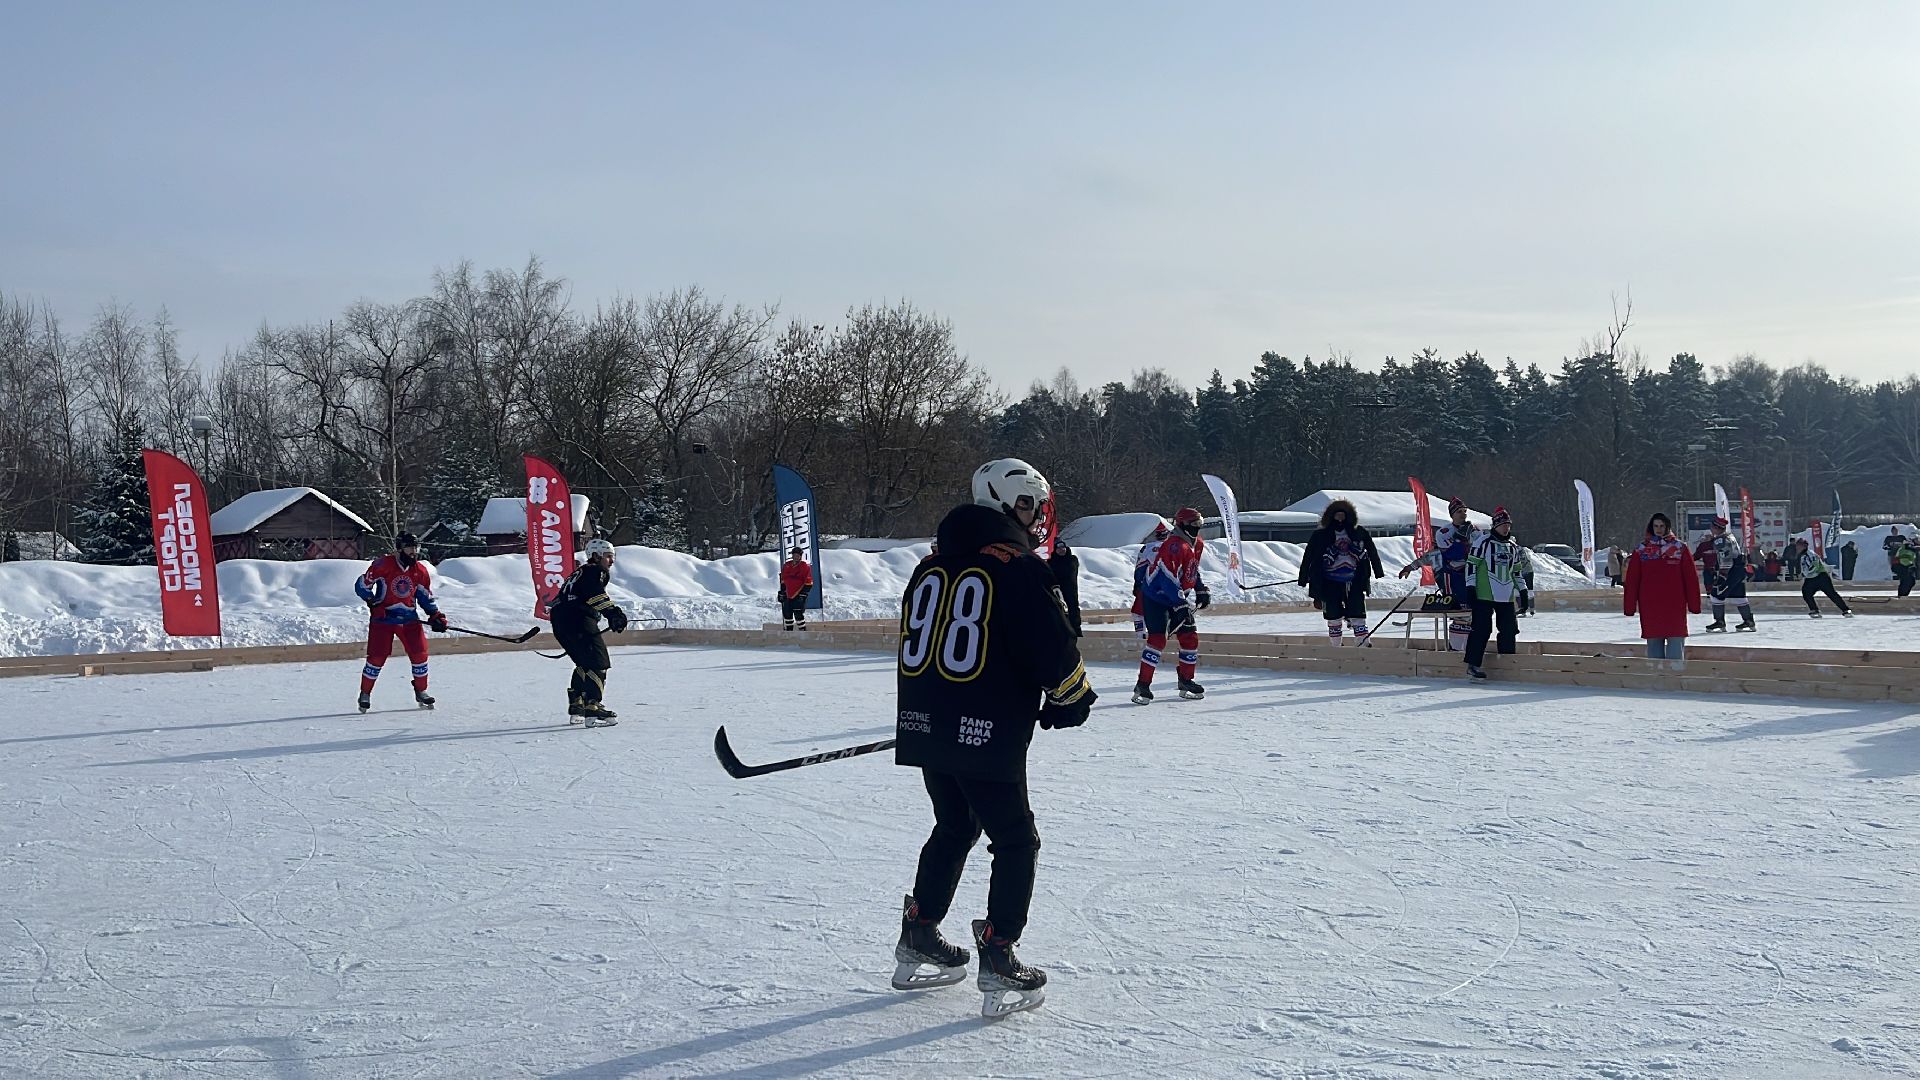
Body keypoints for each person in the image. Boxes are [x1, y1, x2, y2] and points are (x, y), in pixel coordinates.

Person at [892, 457, 1094, 1018]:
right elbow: (1050, 648)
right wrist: (1070, 697)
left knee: (955, 824)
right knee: (1015, 839)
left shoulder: (929, 564)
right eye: (1030, 504)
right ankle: (1001, 954)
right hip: (983, 730)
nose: (1036, 516)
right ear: (1009, 504)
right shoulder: (1017, 566)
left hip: (929, 722)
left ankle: (919, 933)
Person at [354, 532, 446, 713]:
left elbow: (424, 596)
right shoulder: (382, 565)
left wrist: (435, 615)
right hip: (383, 619)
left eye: (415, 547)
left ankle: (421, 690)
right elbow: (361, 585)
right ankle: (365, 693)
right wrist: (373, 603)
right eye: (409, 547)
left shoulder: (420, 570)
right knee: (377, 657)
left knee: (420, 653)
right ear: (399, 548)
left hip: (409, 619)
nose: (413, 552)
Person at [549, 538, 629, 727]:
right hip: (577, 620)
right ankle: (593, 706)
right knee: (598, 662)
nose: (611, 562)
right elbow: (594, 593)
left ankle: (577, 704)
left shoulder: (577, 573)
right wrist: (613, 613)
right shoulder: (595, 570)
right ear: (596, 556)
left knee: (583, 662)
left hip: (560, 622)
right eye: (608, 557)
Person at [1133, 507, 1210, 703]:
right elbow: (1168, 578)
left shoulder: (1197, 544)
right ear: (1182, 525)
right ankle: (1143, 685)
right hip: (1157, 598)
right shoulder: (1174, 546)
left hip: (1178, 598)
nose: (1197, 529)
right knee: (1158, 640)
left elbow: (1192, 569)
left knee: (1190, 638)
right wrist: (1180, 603)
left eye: (1200, 524)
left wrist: (1200, 589)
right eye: (1194, 525)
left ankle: (1186, 680)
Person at [1297, 499, 1384, 644]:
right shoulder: (1321, 535)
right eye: (1336, 515)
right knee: (1333, 615)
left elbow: (1372, 551)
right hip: (1329, 581)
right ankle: (1336, 646)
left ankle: (1362, 643)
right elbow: (1309, 557)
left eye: (1342, 515)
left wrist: (1377, 570)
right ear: (1330, 516)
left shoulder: (1358, 532)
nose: (1340, 519)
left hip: (1354, 580)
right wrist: (1304, 578)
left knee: (1358, 613)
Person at [1461, 506, 1532, 680]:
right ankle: (1473, 664)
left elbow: (1516, 572)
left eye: (1508, 524)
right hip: (1484, 594)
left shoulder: (1513, 547)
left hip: (1506, 596)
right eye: (1502, 524)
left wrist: (1523, 592)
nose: (1506, 528)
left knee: (1509, 630)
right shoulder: (1483, 542)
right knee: (1481, 629)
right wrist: (1470, 587)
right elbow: (1471, 566)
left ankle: (1508, 663)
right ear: (1495, 525)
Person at [1398, 495, 1475, 652]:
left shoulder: (1473, 531)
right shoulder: (1444, 532)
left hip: (1471, 578)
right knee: (1460, 615)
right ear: (1452, 514)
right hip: (1452, 580)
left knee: (1472, 616)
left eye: (1464, 511)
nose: (1463, 514)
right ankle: (1456, 649)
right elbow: (1448, 554)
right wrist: (1409, 567)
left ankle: (1466, 649)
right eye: (1459, 511)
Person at [1622, 512, 1701, 665]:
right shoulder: (1641, 550)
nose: (1658, 529)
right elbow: (1632, 580)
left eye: (1662, 526)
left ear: (1667, 527)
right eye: (1655, 526)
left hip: (1674, 604)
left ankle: (1675, 681)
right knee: (1654, 647)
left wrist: (1694, 605)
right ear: (1651, 527)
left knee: (1676, 646)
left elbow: (1690, 578)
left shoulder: (1679, 548)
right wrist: (1629, 607)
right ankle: (1655, 681)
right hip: (1651, 606)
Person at [1697, 517, 1756, 633]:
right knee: (1739, 596)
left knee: (1716, 594)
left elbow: (1726, 559)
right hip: (1739, 570)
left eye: (1712, 527)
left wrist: (1722, 576)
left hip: (1731, 571)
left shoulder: (1720, 541)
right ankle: (1749, 621)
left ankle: (1720, 621)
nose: (1711, 529)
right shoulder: (1730, 536)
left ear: (1716, 528)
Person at [1129, 521, 1170, 638]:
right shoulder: (1174, 547)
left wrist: (1137, 583)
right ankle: (1167, 635)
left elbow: (1140, 567)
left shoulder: (1147, 548)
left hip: (1150, 585)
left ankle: (1140, 635)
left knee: (1138, 612)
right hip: (1171, 585)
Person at [1793, 538, 1852, 618]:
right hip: (1811, 578)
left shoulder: (1810, 554)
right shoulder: (1802, 556)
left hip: (1821, 576)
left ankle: (1846, 610)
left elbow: (1815, 566)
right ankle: (1814, 609)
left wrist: (1804, 574)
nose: (1797, 548)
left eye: (1799, 546)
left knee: (1832, 594)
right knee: (1806, 593)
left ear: (1804, 546)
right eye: (1797, 546)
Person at [778, 547, 814, 631]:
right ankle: (789, 633)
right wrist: (782, 592)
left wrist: (803, 594)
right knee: (787, 614)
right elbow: (783, 579)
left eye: (798, 555)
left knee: (798, 614)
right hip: (788, 594)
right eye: (794, 555)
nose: (796, 557)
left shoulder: (804, 566)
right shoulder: (787, 565)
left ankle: (803, 632)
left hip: (798, 594)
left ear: (800, 556)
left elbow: (809, 582)